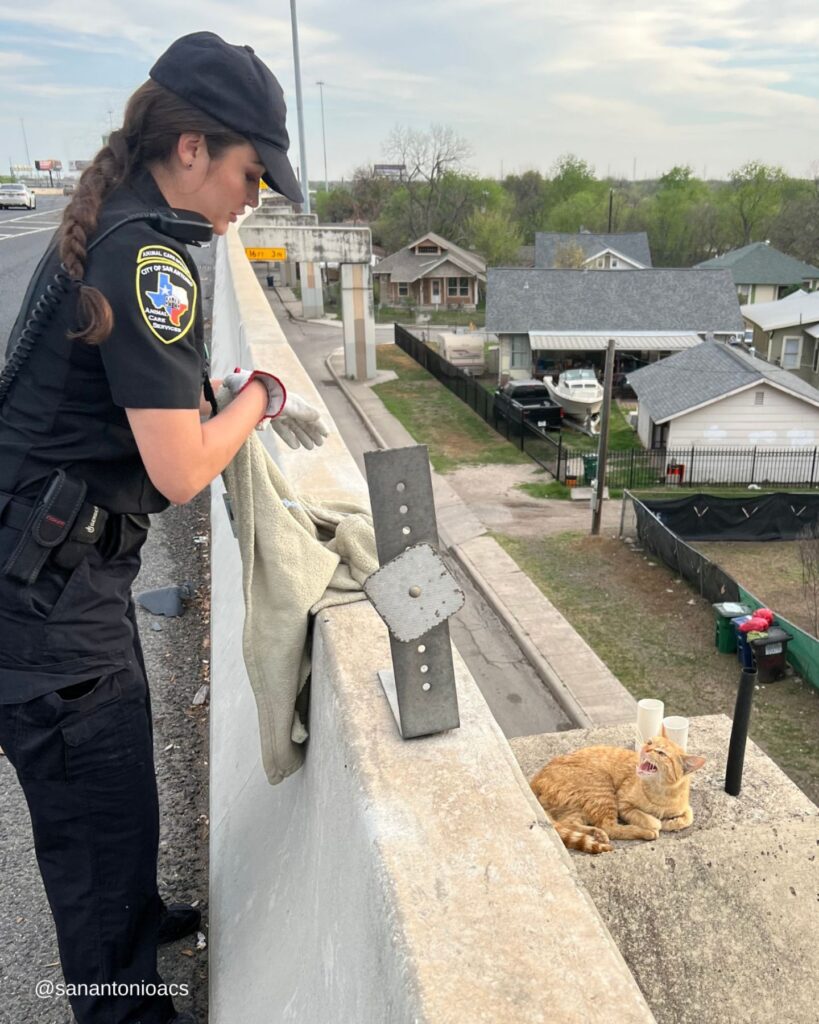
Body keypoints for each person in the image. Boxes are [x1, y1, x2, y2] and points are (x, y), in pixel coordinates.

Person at [0, 32, 325, 1024]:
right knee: (96, 832)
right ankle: (119, 999)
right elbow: (180, 468)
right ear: (192, 147)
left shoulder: (129, 225)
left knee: (122, 798)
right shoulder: (147, 257)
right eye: (249, 172)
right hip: (48, 606)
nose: (253, 199)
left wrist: (210, 399)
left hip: (63, 575)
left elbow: (146, 409)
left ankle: (136, 932)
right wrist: (263, 395)